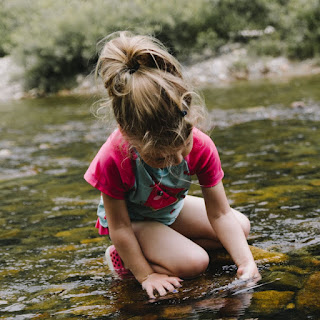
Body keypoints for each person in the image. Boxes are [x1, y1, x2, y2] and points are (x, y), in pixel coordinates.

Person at [84, 31, 260, 299]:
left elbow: (220, 214)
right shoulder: (113, 158)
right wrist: (146, 275)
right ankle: (125, 258)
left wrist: (246, 263)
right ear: (131, 139)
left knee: (240, 227)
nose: (177, 161)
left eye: (182, 148)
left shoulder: (201, 145)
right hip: (134, 223)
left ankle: (167, 246)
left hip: (169, 209)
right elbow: (119, 227)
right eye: (161, 158)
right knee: (195, 263)